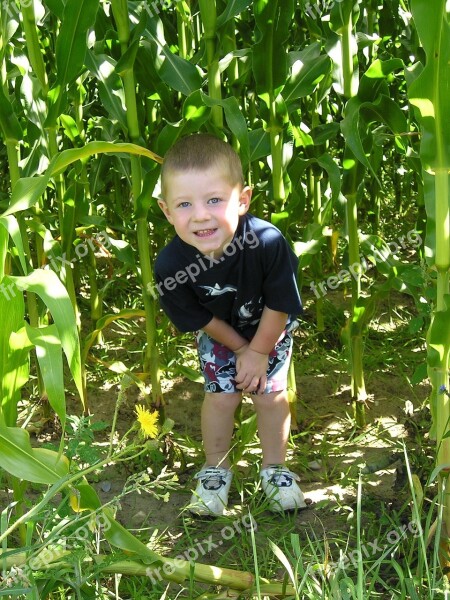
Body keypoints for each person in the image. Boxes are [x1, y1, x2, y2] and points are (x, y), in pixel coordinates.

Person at [153, 133, 306, 516]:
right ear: (166, 211)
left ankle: (275, 469)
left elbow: (280, 304)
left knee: (270, 396)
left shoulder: (268, 243)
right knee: (222, 396)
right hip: (220, 332)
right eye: (184, 204)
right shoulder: (171, 266)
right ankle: (215, 469)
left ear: (243, 199)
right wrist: (239, 349)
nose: (201, 215)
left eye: (214, 200)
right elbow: (202, 318)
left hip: (270, 329)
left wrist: (257, 352)